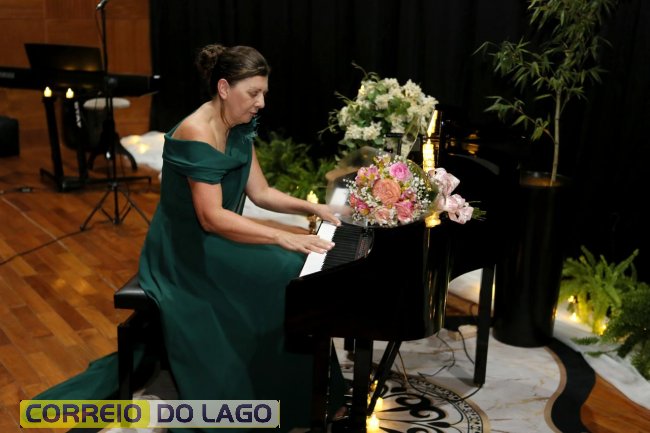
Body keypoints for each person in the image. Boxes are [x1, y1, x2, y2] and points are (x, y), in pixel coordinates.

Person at [31, 44, 345, 432]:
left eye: (264, 93)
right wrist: (281, 237)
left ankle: (308, 394)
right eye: (253, 93)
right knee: (286, 272)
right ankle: (280, 395)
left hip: (218, 238)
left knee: (299, 270)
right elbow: (211, 219)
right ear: (224, 88)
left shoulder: (238, 123)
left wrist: (313, 208)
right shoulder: (197, 131)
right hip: (186, 250)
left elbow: (261, 192)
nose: (261, 102)